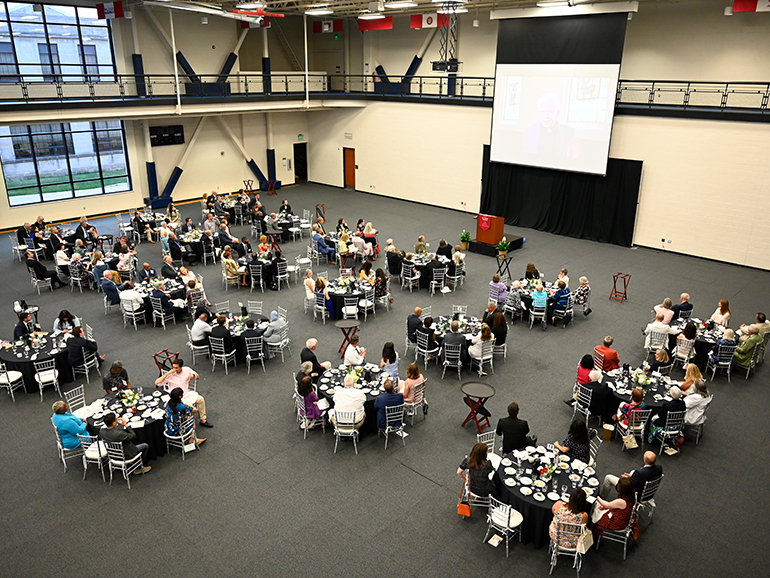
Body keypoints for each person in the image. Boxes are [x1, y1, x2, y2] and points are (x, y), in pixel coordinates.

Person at [156, 359, 212, 427]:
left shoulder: (186, 369)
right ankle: (188, 422)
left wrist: (193, 375)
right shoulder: (170, 375)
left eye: (176, 368)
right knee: (192, 408)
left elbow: (197, 376)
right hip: (177, 397)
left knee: (201, 399)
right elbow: (157, 383)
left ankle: (203, 420)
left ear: (181, 367)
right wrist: (167, 373)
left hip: (186, 393)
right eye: (173, 367)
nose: (174, 369)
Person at [521, 93, 576, 158]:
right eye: (543, 111)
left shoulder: (569, 132)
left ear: (557, 113)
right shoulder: (529, 131)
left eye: (550, 111)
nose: (546, 116)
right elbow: (525, 157)